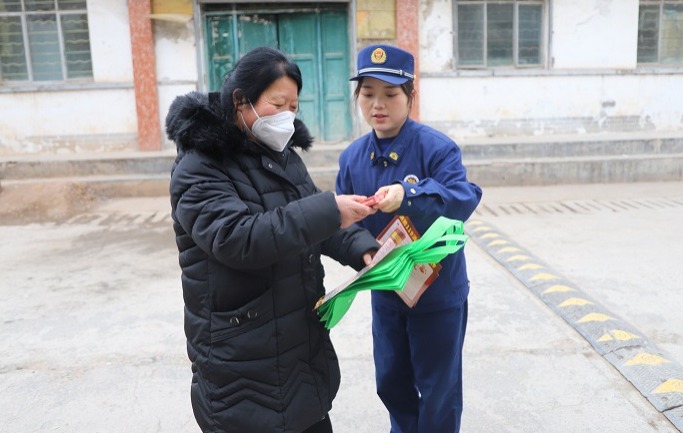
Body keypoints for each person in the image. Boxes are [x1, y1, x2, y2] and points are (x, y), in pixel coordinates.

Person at [166, 46, 380, 433]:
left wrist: (363, 247)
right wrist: (329, 209)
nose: (286, 116)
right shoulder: (198, 166)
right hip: (242, 356)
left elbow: (309, 217)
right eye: (277, 103)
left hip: (298, 348)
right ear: (240, 100)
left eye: (293, 106)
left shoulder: (282, 155)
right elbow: (239, 239)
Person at [336, 44, 483, 433]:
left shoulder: (436, 148)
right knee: (391, 382)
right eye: (367, 95)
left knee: (438, 391)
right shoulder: (352, 157)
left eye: (389, 95)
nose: (377, 105)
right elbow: (345, 224)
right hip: (387, 292)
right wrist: (364, 253)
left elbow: (464, 199)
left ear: (410, 96)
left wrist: (410, 195)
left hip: (436, 295)